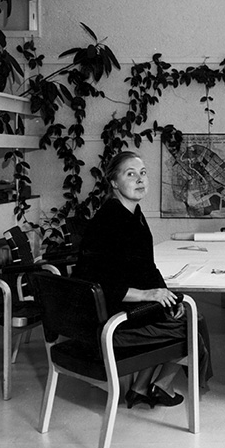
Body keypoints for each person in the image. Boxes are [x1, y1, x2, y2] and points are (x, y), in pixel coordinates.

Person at [73, 150, 213, 408]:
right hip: (111, 323)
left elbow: (147, 268)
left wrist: (167, 295)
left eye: (143, 173)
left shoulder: (131, 214)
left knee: (182, 313)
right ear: (114, 182)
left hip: (123, 311)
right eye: (130, 174)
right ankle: (161, 386)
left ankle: (140, 388)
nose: (140, 179)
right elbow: (101, 284)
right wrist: (150, 295)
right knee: (193, 323)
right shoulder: (110, 220)